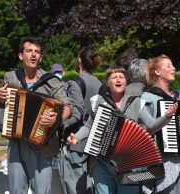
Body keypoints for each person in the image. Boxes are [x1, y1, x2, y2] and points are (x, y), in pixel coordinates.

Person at [0, 37, 72, 194]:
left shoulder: (51, 81)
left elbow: (69, 106)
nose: (33, 55)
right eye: (29, 51)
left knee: (42, 191)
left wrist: (57, 119)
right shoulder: (11, 77)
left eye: (37, 52)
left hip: (43, 145)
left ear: (40, 57)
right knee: (16, 190)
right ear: (21, 56)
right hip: (16, 143)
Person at [67, 66, 144, 194]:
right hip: (102, 163)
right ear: (107, 82)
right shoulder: (99, 101)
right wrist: (77, 137)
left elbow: (151, 125)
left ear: (126, 81)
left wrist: (167, 117)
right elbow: (89, 126)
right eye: (114, 77)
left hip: (128, 164)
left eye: (121, 77)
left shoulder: (136, 102)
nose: (118, 79)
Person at [138, 54, 180, 194]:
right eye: (168, 66)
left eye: (172, 66)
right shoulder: (146, 98)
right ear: (157, 72)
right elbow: (146, 129)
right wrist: (166, 117)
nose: (173, 68)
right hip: (164, 164)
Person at [59, 47, 102, 194]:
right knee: (89, 186)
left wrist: (58, 125)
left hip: (75, 141)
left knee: (74, 188)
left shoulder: (75, 83)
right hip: (94, 143)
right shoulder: (100, 84)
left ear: (79, 61)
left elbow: (76, 113)